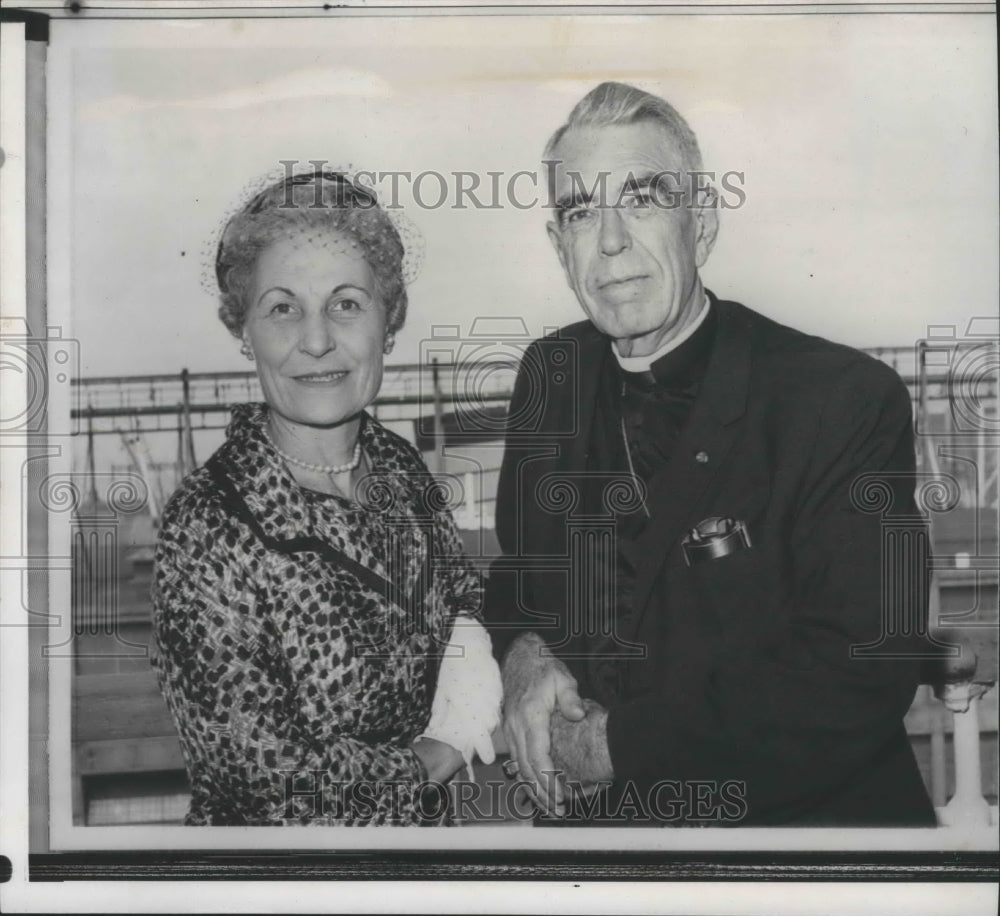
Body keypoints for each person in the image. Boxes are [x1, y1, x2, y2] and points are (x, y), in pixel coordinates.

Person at [485, 82, 937, 826]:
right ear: (556, 245)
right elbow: (522, 578)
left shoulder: (837, 396)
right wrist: (525, 654)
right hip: (599, 862)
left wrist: (616, 746)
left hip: (804, 860)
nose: (609, 241)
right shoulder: (548, 377)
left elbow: (863, 665)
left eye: (642, 198)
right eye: (579, 212)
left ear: (704, 223)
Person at [152, 169, 501, 826]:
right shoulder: (209, 526)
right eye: (283, 308)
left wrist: (475, 641)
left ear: (388, 322)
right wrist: (437, 757)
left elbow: (458, 593)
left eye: (345, 303)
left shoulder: (397, 467)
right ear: (243, 331)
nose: (316, 341)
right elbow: (259, 784)